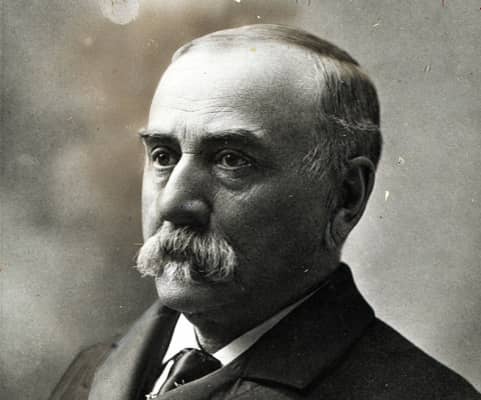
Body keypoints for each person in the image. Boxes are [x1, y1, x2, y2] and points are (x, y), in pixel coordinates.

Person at [50, 24, 480, 400]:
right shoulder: (94, 370)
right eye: (163, 156)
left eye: (231, 160)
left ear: (345, 197)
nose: (173, 204)